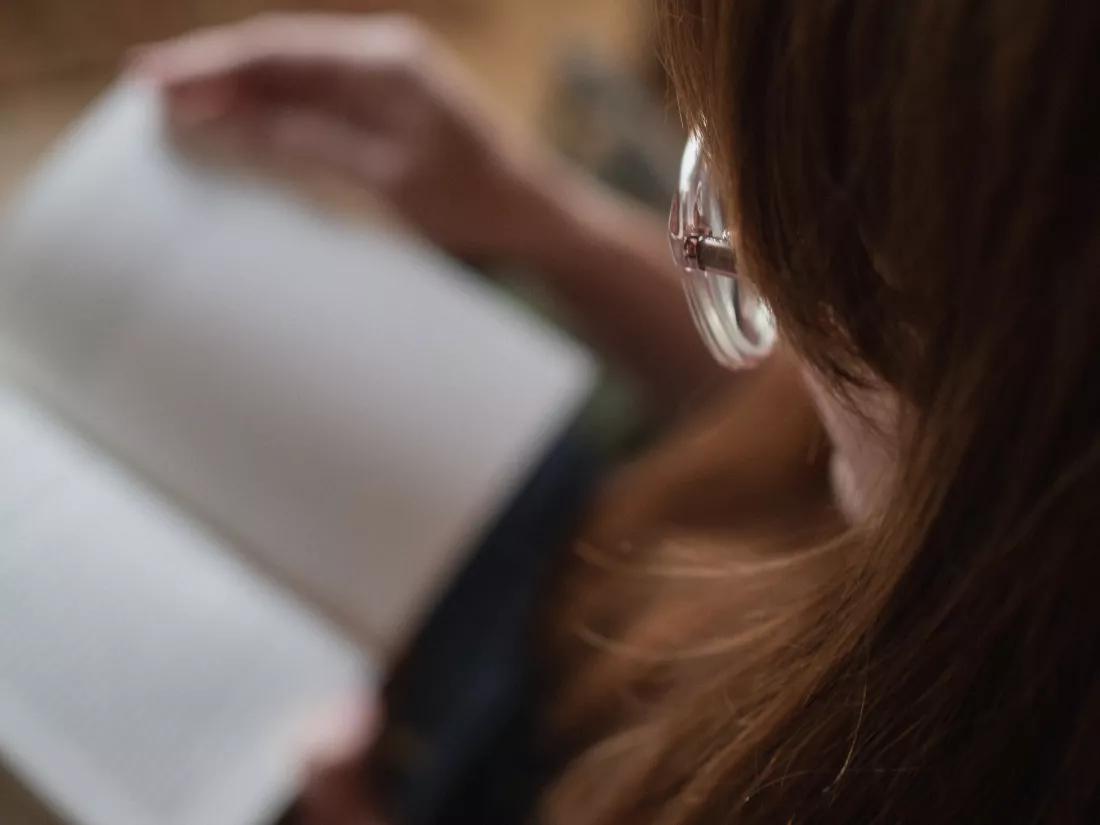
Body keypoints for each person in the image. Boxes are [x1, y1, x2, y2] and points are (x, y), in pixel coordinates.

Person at [133, 2, 1100, 823]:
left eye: (853, 289)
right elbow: (822, 406)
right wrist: (537, 220)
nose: (764, 293)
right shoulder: (960, 450)